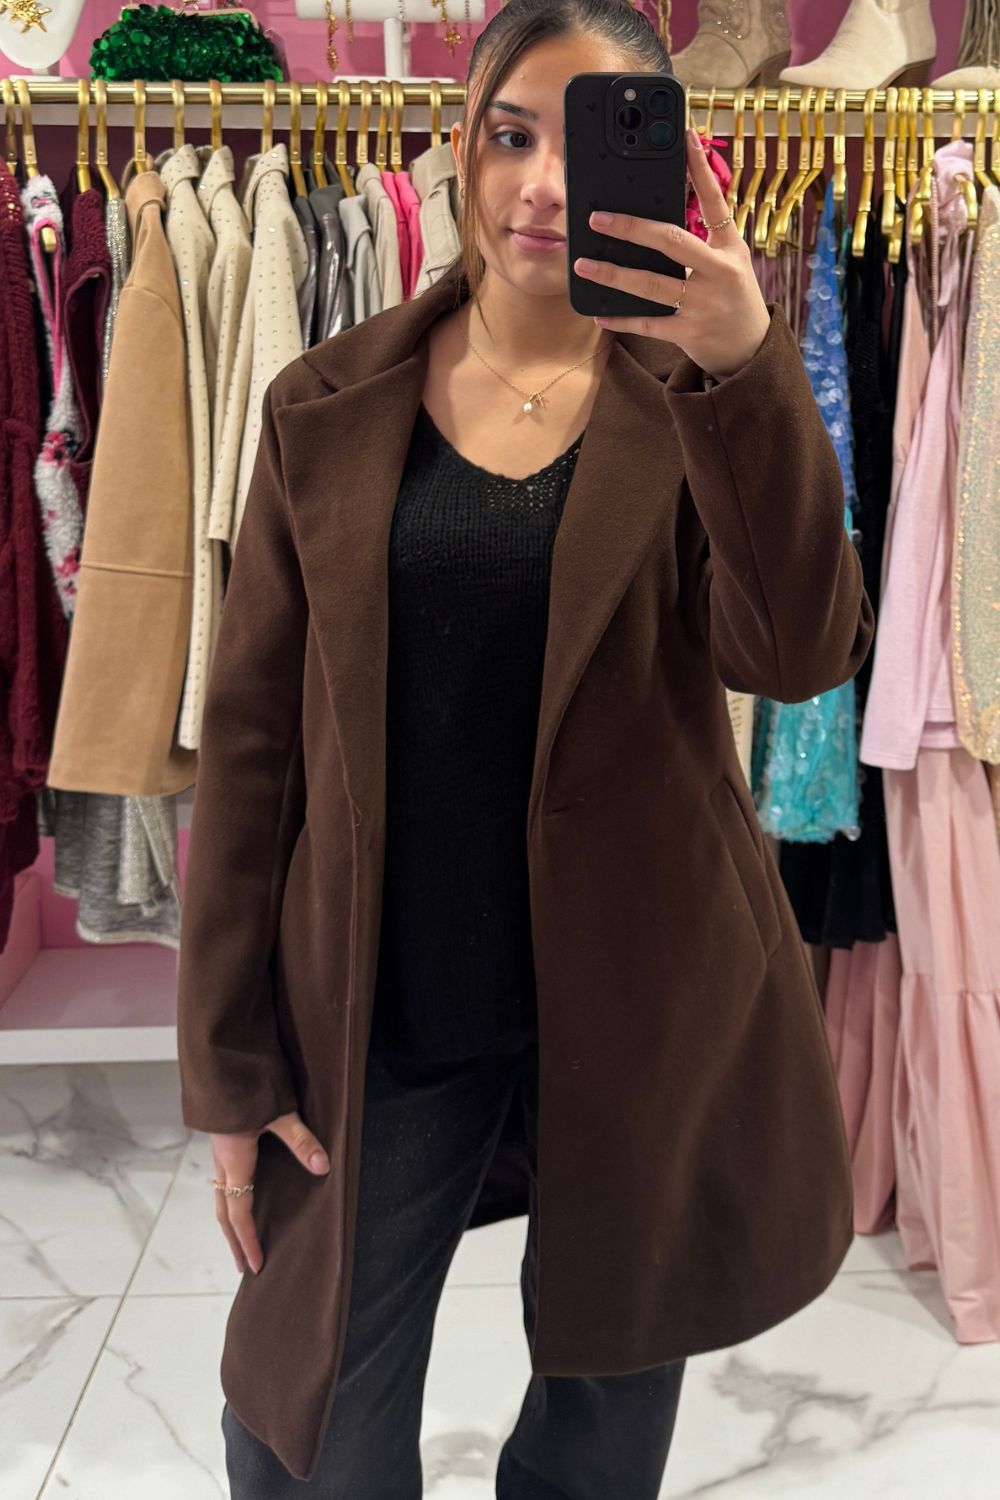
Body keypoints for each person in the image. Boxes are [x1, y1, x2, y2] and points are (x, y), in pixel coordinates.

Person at [175, 0, 876, 1494]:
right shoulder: (327, 404)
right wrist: (228, 1066)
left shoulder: (693, 398)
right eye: (510, 135)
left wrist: (745, 370)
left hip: (640, 1010)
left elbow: (799, 653)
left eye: (589, 142)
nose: (544, 185)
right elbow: (251, 755)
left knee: (603, 1427)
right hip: (388, 1006)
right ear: (460, 146)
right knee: (304, 1431)